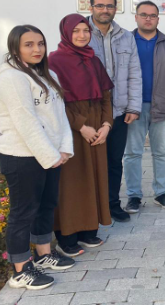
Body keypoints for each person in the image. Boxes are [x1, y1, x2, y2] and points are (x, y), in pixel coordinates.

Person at [0, 25, 75, 290]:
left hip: (49, 154)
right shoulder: (11, 78)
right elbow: (26, 122)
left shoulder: (46, 74)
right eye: (29, 44)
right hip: (21, 156)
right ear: (15, 47)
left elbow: (59, 116)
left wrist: (63, 148)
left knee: (46, 205)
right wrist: (51, 156)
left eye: (40, 43)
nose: (37, 49)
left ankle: (43, 253)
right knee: (22, 212)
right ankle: (20, 270)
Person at [48, 14, 115, 257]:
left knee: (94, 176)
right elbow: (55, 102)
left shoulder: (93, 60)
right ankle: (66, 235)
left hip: (97, 125)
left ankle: (88, 228)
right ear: (66, 32)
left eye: (85, 30)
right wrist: (81, 126)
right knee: (72, 181)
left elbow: (106, 95)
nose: (81, 35)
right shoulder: (54, 61)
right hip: (71, 128)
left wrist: (107, 124)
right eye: (76, 31)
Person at [123, 1, 165, 214]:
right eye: (144, 15)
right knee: (132, 153)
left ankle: (161, 192)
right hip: (133, 108)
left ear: (158, 19)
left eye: (152, 15)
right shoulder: (126, 42)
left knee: (161, 152)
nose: (148, 18)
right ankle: (133, 195)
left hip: (163, 107)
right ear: (136, 17)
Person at [86, 0, 141, 223]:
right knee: (89, 164)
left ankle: (112, 204)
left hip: (118, 111)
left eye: (109, 6)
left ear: (115, 9)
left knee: (113, 161)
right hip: (90, 114)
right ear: (91, 8)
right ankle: (90, 207)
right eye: (100, 5)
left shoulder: (126, 36)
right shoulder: (80, 33)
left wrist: (133, 107)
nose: (105, 10)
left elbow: (134, 74)